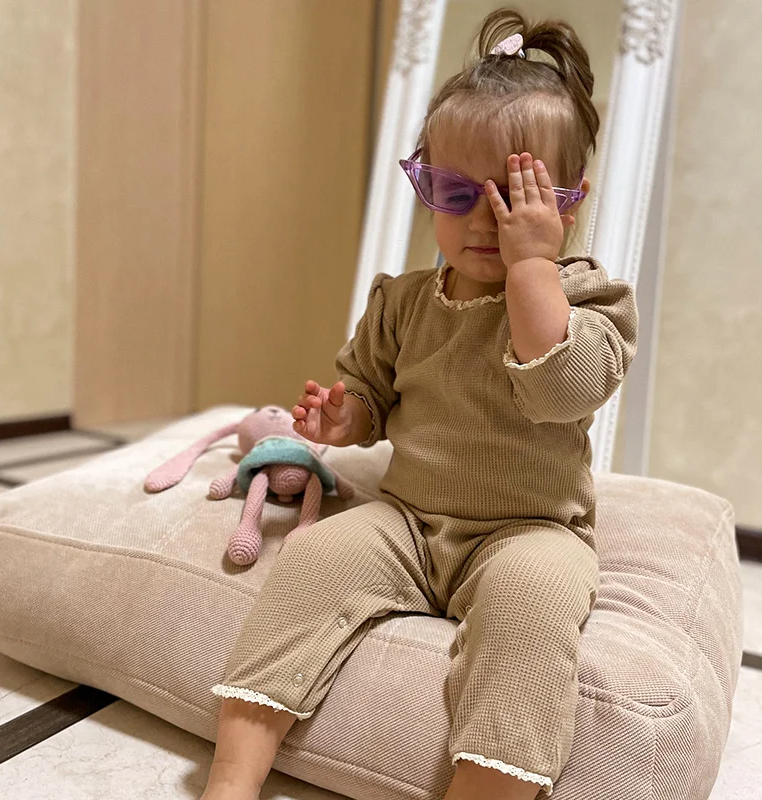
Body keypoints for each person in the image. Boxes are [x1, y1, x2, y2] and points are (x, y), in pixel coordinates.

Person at [201, 8, 639, 800]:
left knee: (534, 606)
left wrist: (531, 269)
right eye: (453, 192)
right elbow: (371, 389)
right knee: (313, 561)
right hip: (408, 520)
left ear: (565, 204)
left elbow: (564, 391)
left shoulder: (588, 298)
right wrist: (347, 420)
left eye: (510, 201)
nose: (479, 220)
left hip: (530, 529)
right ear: (426, 187)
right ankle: (231, 778)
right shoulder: (403, 301)